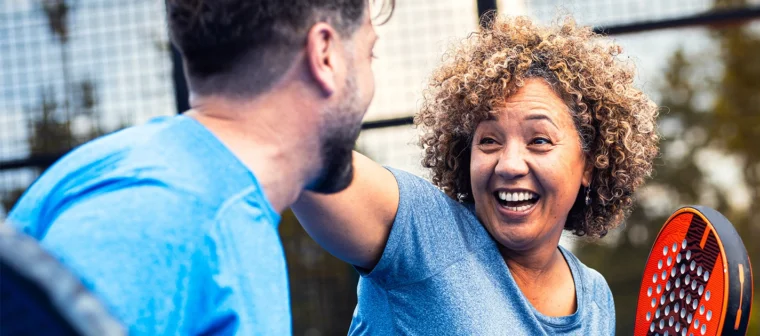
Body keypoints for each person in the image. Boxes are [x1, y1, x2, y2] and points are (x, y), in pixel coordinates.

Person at [5, 0, 392, 334]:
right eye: (368, 55)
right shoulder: (162, 219)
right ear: (325, 54)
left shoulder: (177, 188)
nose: (371, 81)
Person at [293, 14, 660, 334]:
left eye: (539, 140)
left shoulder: (595, 298)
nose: (510, 164)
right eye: (489, 141)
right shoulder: (423, 234)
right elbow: (303, 153)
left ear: (591, 163)